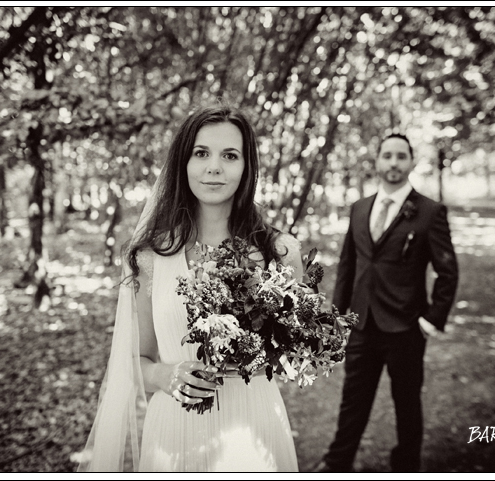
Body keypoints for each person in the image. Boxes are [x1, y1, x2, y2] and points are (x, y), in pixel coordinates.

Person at [77, 105, 302, 472]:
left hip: (253, 430)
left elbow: (292, 354)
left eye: (230, 155)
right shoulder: (149, 257)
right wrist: (165, 376)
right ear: (183, 163)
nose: (214, 167)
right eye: (201, 153)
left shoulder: (279, 253)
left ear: (247, 168)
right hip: (174, 434)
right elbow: (137, 361)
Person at [315, 133, 459, 472]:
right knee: (353, 402)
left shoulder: (429, 212)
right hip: (362, 324)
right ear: (377, 161)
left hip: (406, 328)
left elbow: (447, 271)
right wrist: (338, 318)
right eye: (387, 156)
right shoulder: (359, 207)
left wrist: (430, 321)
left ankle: (407, 467)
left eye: (400, 156)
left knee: (407, 405)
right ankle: (337, 464)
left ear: (410, 162)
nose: (393, 163)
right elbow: (349, 265)